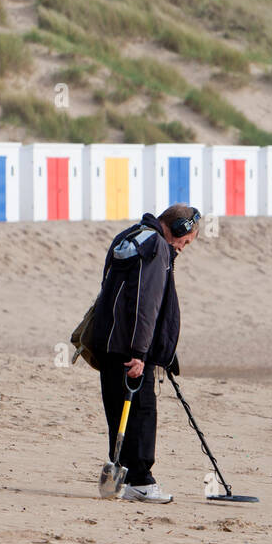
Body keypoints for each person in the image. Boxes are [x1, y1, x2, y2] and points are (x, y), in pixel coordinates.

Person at [88, 204, 200, 503]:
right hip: (130, 349)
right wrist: (140, 351)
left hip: (108, 343)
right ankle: (142, 481)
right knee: (142, 410)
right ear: (177, 228)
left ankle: (121, 476)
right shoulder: (156, 247)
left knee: (118, 411)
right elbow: (145, 303)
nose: (182, 247)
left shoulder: (128, 236)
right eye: (184, 240)